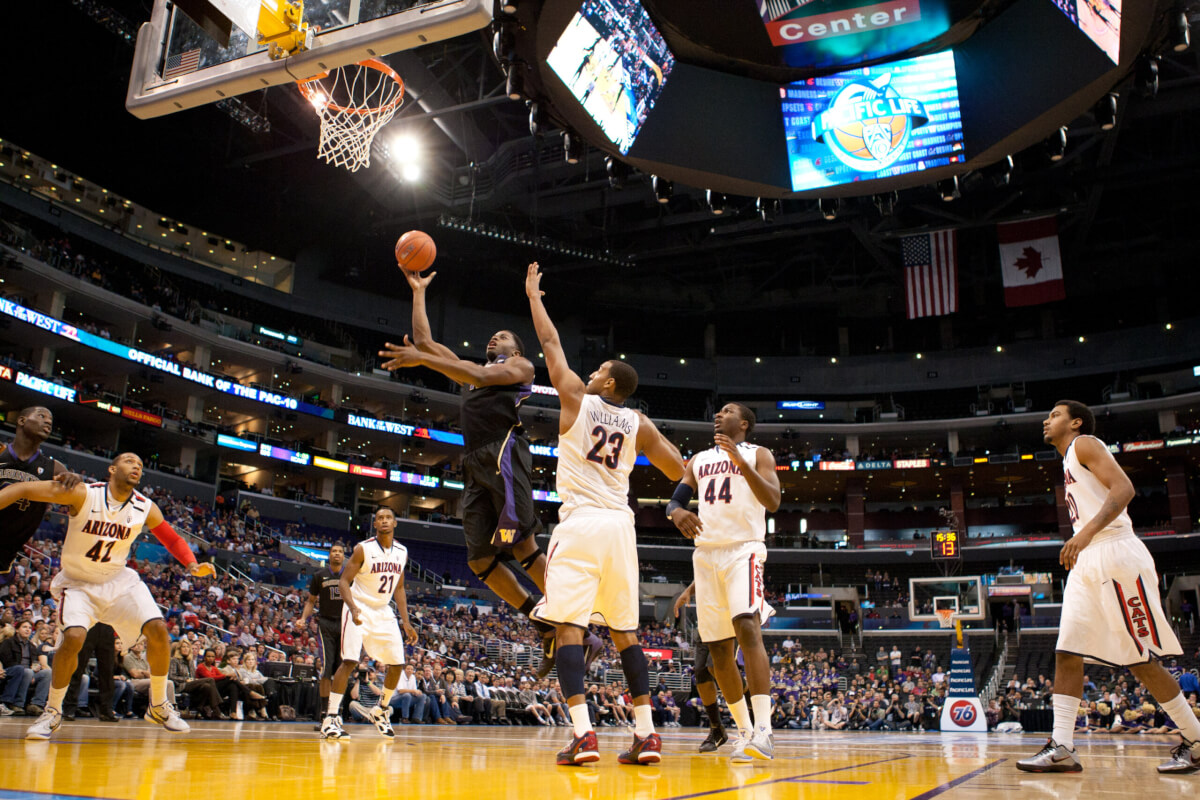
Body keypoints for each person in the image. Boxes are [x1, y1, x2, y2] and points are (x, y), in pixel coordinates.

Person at [523, 262, 686, 766]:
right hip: (621, 527)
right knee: (625, 634)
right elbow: (681, 467)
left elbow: (551, 345)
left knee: (569, 625)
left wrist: (534, 297)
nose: (590, 372)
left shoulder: (576, 397)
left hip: (580, 523)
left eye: (598, 371)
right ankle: (646, 735)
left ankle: (583, 735)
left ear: (608, 381)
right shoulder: (638, 422)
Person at [380, 271, 573, 675]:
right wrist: (419, 293)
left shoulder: (520, 367)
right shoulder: (469, 371)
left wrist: (427, 359)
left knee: (522, 545)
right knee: (480, 560)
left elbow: (479, 375)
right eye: (494, 337)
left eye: (502, 336)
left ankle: (571, 617)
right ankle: (540, 621)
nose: (494, 339)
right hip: (473, 463)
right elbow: (426, 343)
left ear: (515, 349)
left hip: (503, 453)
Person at [1017, 401, 1198, 774]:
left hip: (1115, 553)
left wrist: (1082, 534)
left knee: (1139, 658)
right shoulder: (1067, 459)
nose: (1045, 420)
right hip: (1087, 561)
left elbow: (1125, 488)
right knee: (1067, 652)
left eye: (1054, 414)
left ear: (1076, 421)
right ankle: (1063, 746)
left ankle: (1196, 740)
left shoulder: (1085, 443)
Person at [0, 452, 214, 739]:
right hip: (78, 583)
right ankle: (52, 711)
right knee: (74, 637)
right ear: (112, 469)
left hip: (118, 581)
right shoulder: (83, 493)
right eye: (129, 461)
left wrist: (191, 564)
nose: (136, 466)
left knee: (159, 629)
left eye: (140, 464)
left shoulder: (144, 506)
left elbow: (171, 537)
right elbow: (24, 488)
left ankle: (159, 705)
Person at [667, 402, 780, 762]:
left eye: (728, 410)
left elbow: (773, 500)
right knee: (717, 651)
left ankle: (764, 729)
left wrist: (742, 464)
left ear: (744, 423)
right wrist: (677, 512)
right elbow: (675, 501)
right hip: (706, 554)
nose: (719, 413)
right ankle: (744, 732)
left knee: (747, 625)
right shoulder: (698, 459)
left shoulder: (759, 453)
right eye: (718, 410)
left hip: (743, 549)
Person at [320, 507, 417, 741]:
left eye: (388, 518)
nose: (384, 521)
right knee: (350, 661)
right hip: (358, 607)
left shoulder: (402, 552)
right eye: (380, 518)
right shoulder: (363, 548)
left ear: (395, 523)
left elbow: (400, 588)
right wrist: (352, 607)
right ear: (375, 524)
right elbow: (343, 581)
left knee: (397, 663)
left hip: (383, 610)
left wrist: (406, 621)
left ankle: (381, 710)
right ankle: (330, 718)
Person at [0, 406, 82, 575]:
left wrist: (76, 480)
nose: (48, 421)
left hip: (5, 556)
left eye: (50, 420)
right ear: (22, 420)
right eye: (42, 416)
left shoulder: (55, 469)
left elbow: (80, 495)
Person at [673, 586, 728, 752]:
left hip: (730, 615)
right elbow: (705, 571)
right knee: (700, 672)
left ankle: (750, 725)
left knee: (716, 668)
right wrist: (688, 591)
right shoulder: (705, 561)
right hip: (707, 620)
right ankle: (716, 728)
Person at [297, 542, 346, 719]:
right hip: (325, 624)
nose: (337, 554)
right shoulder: (319, 576)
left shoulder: (350, 576)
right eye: (334, 551)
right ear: (329, 555)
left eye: (340, 552)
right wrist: (303, 619)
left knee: (341, 671)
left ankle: (336, 712)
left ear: (344, 556)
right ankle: (325, 713)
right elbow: (311, 601)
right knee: (326, 669)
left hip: (345, 625)